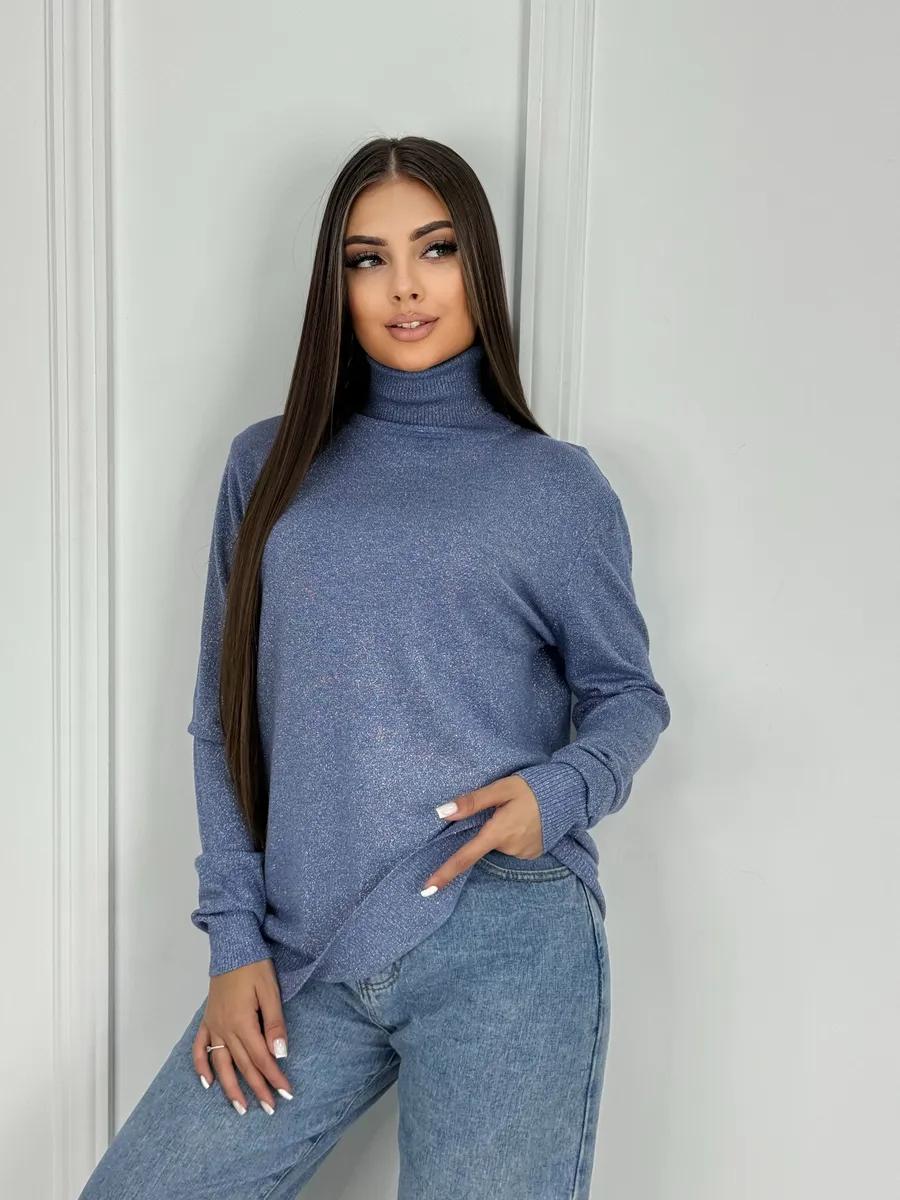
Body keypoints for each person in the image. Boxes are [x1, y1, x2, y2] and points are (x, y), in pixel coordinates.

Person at [78, 135, 670, 1199]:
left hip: (505, 934)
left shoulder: (553, 488)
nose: (405, 286)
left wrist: (560, 792)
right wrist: (233, 941)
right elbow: (223, 718)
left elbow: (627, 695)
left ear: (479, 266)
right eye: (368, 259)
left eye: (436, 250)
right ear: (336, 285)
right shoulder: (268, 466)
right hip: (305, 950)